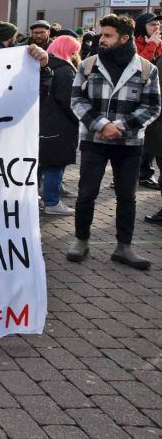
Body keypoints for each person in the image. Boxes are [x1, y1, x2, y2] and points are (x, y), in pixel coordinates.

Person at [67, 14, 160, 270]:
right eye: (101, 35)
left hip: (129, 143)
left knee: (127, 196)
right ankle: (81, 240)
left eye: (108, 36)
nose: (102, 40)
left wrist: (120, 126)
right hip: (93, 140)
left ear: (125, 38)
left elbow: (152, 106)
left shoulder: (146, 69)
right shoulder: (88, 65)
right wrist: (101, 125)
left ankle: (124, 247)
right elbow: (77, 100)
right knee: (86, 193)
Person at [40, 35, 82, 216]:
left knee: (41, 163)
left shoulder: (42, 66)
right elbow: (69, 102)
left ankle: (38, 198)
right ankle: (52, 201)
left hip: (41, 122)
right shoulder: (65, 71)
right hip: (59, 125)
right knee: (56, 164)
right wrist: (79, 117)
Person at [133, 12, 162, 188]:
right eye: (152, 25)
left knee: (153, 137)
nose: (156, 28)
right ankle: (134, 173)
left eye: (158, 25)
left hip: (154, 95)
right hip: (137, 97)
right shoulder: (134, 43)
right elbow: (139, 67)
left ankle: (145, 172)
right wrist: (151, 45)